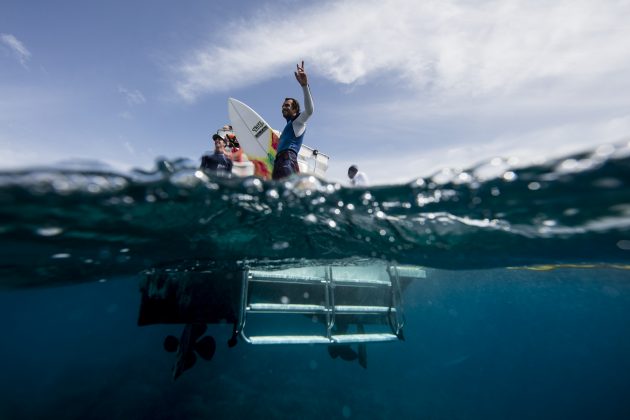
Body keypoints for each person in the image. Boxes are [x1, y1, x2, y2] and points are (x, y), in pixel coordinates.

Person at [272, 61, 314, 180]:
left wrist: (304, 86)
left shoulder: (298, 122)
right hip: (283, 162)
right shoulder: (290, 125)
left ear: (295, 110)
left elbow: (310, 111)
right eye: (283, 106)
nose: (283, 107)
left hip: (287, 161)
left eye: (287, 105)